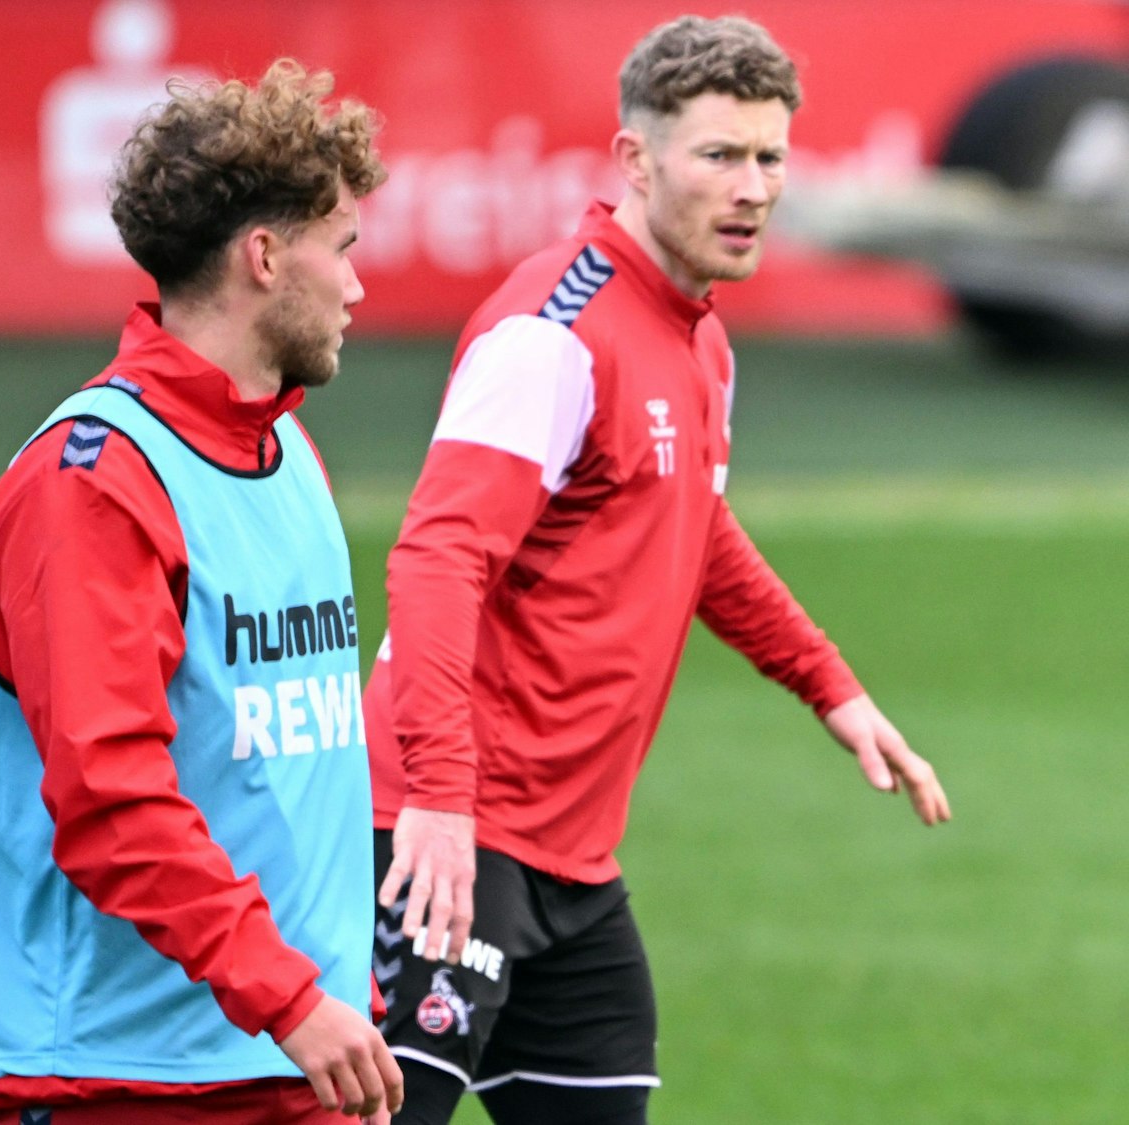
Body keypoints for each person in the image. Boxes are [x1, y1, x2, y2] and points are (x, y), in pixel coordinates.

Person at [361, 15, 953, 1125]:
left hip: (571, 861)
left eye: (770, 156)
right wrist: (436, 805)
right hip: (450, 838)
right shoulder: (553, 331)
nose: (754, 188)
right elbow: (438, 559)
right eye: (719, 156)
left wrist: (828, 685)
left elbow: (696, 530)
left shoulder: (697, 337)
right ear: (637, 160)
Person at [0, 60, 403, 1124]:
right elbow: (111, 800)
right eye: (339, 249)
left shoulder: (287, 444)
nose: (356, 285)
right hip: (141, 1083)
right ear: (263, 256)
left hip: (298, 1059)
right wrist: (289, 997)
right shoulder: (94, 482)